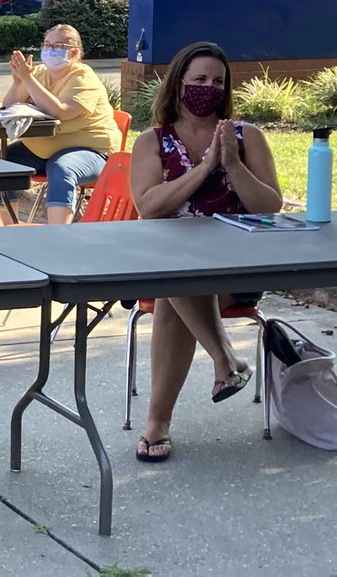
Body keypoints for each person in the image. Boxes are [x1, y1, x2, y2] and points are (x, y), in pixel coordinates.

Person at [129, 41, 282, 463]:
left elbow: (270, 207)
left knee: (172, 287)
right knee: (176, 278)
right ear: (179, 84)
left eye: (218, 82)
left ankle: (157, 423)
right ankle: (225, 358)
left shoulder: (246, 137)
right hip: (176, 265)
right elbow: (148, 207)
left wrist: (232, 164)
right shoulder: (152, 141)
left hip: (239, 267)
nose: (208, 88)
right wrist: (203, 168)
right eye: (199, 79)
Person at [0, 23, 122, 224]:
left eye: (57, 46)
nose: (49, 50)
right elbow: (9, 106)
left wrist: (28, 79)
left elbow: (61, 112)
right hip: (42, 150)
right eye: (47, 44)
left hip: (91, 150)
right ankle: (10, 228)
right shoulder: (38, 73)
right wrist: (19, 82)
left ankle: (58, 232)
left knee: (61, 168)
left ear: (74, 53)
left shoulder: (83, 78)